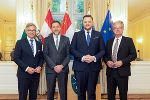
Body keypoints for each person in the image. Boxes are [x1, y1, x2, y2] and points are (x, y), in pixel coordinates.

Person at [70, 15, 105, 100]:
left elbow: (103, 50)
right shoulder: (77, 34)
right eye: (85, 22)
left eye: (89, 21)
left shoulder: (98, 34)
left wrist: (94, 57)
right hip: (80, 68)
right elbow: (72, 49)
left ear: (92, 23)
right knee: (80, 93)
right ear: (83, 23)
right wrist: (82, 57)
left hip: (93, 68)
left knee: (91, 92)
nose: (87, 23)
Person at [104, 20, 137, 100]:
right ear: (113, 29)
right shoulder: (109, 41)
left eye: (119, 28)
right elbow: (105, 55)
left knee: (123, 95)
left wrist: (122, 62)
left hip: (123, 72)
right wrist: (107, 61)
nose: (117, 29)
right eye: (115, 28)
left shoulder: (128, 40)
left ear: (123, 29)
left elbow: (134, 55)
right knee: (110, 95)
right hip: (110, 72)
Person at [14, 23, 44, 100]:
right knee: (23, 96)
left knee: (33, 96)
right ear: (26, 31)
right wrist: (27, 68)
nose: (31, 32)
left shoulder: (39, 44)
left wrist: (40, 67)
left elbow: (41, 57)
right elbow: (16, 58)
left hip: (35, 75)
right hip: (23, 74)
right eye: (29, 30)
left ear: (35, 31)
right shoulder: (20, 42)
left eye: (33, 30)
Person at [43, 21, 70, 100]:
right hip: (50, 69)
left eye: (57, 26)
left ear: (60, 27)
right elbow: (45, 54)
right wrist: (54, 66)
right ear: (51, 29)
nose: (56, 28)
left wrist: (61, 66)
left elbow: (68, 55)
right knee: (50, 92)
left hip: (63, 69)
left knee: (63, 92)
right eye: (54, 27)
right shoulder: (47, 39)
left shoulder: (66, 39)